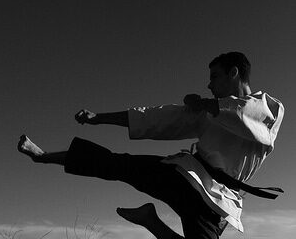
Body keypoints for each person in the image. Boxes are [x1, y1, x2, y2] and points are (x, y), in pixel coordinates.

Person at [17, 52, 284, 239]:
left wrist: (206, 104)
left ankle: (150, 220)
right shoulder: (209, 112)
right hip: (186, 179)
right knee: (117, 164)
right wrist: (99, 119)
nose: (209, 84)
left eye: (214, 76)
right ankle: (42, 157)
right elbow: (157, 118)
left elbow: (251, 116)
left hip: (219, 205)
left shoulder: (270, 108)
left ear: (234, 73)